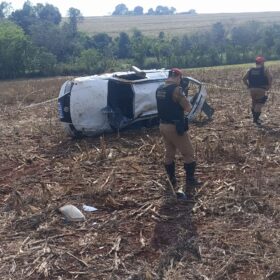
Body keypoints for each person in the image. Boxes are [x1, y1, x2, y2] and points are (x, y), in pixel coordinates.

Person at [155, 68, 202, 199]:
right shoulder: (177, 90)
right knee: (188, 153)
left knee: (169, 153)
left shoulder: (159, 88)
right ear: (178, 77)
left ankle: (171, 179)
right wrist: (184, 95)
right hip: (175, 127)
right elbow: (188, 107)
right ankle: (190, 180)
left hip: (162, 125)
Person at [242, 56, 272, 125]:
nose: (264, 63)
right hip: (261, 89)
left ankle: (255, 118)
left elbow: (243, 79)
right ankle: (255, 120)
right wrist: (268, 86)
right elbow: (270, 78)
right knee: (259, 103)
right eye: (263, 62)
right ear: (261, 62)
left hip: (252, 89)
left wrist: (248, 86)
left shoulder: (250, 69)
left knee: (254, 102)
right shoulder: (265, 69)